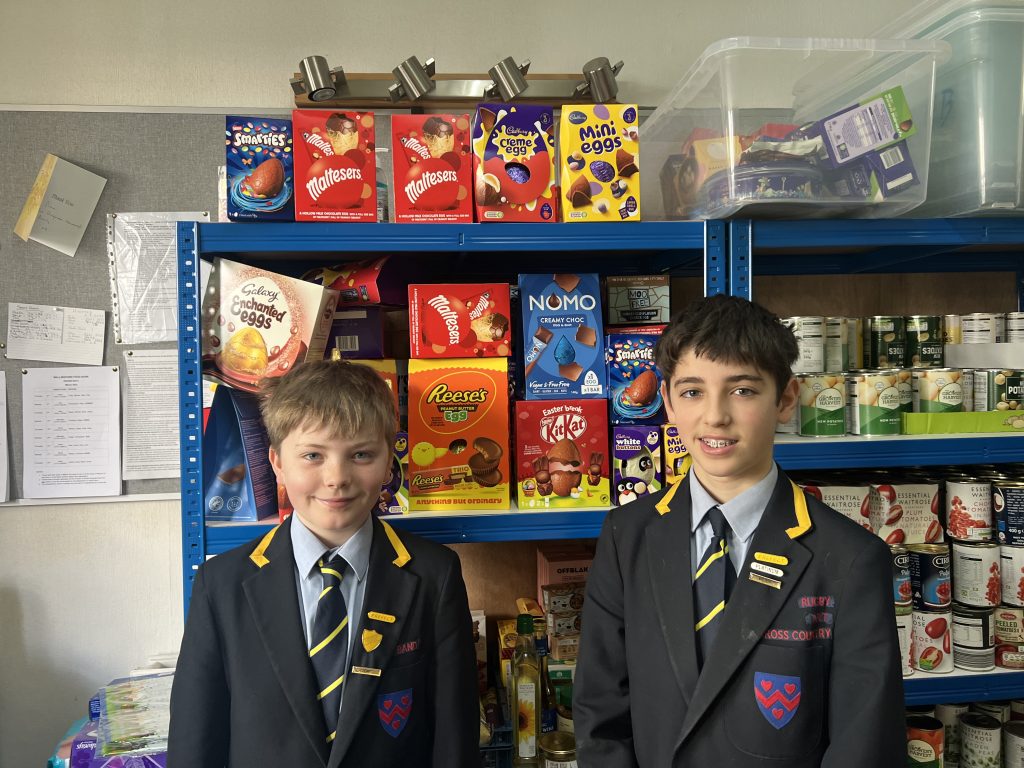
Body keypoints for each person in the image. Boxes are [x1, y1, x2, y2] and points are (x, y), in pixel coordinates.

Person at [573, 295, 903, 767]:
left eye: (743, 390)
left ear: (786, 399)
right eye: (692, 392)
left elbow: (865, 742)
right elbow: (600, 710)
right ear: (666, 402)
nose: (715, 416)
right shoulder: (628, 533)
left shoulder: (849, 558)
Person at [168, 360, 479, 767]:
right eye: (313, 455)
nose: (337, 478)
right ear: (277, 462)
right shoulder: (221, 583)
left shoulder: (434, 575)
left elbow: (455, 739)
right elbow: (195, 740)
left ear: (390, 462)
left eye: (362, 454)